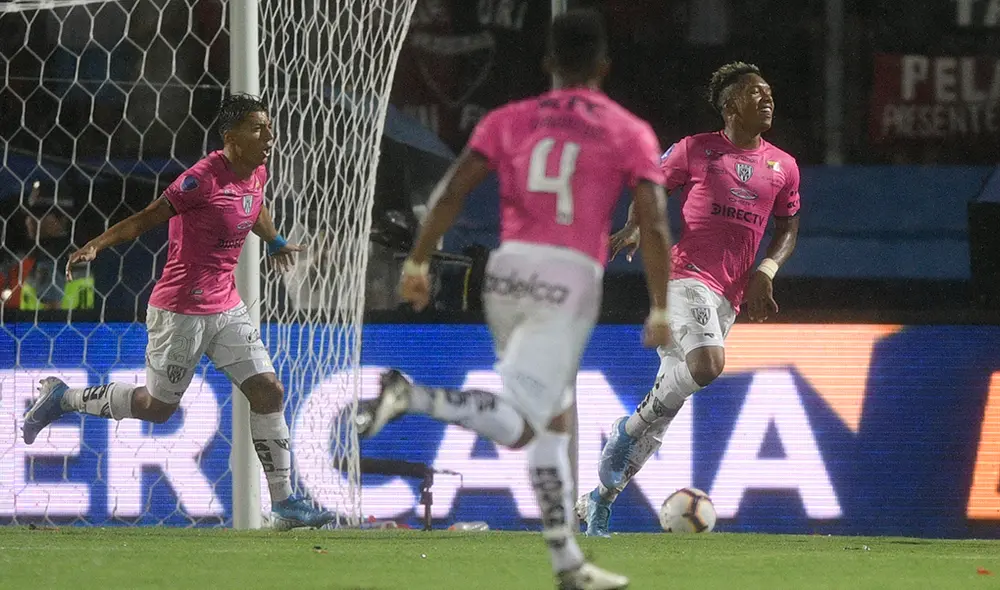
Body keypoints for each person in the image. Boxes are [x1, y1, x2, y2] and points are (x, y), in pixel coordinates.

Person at [354, 10, 671, 590]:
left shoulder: (509, 119)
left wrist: (419, 260)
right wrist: (660, 306)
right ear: (604, 66)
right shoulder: (629, 131)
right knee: (526, 425)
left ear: (548, 63)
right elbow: (651, 224)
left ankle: (567, 564)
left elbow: (452, 190)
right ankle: (410, 395)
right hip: (567, 276)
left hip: (506, 272)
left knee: (554, 421)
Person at [21, 94, 334, 531]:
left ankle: (284, 504)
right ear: (231, 137)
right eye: (258, 128)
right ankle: (62, 398)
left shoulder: (257, 170)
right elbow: (147, 217)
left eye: (269, 127)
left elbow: (254, 203)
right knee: (156, 408)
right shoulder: (200, 179)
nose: (269, 136)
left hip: (227, 307)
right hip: (180, 311)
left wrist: (275, 239)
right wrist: (97, 244)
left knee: (268, 390)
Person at [576, 61, 802, 537]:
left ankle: (599, 500)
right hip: (684, 277)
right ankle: (626, 429)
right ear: (730, 105)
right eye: (755, 92)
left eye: (769, 91)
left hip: (730, 295)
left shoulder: (784, 166)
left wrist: (766, 271)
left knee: (665, 410)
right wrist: (635, 226)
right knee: (707, 364)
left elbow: (788, 227)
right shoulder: (695, 149)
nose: (767, 98)